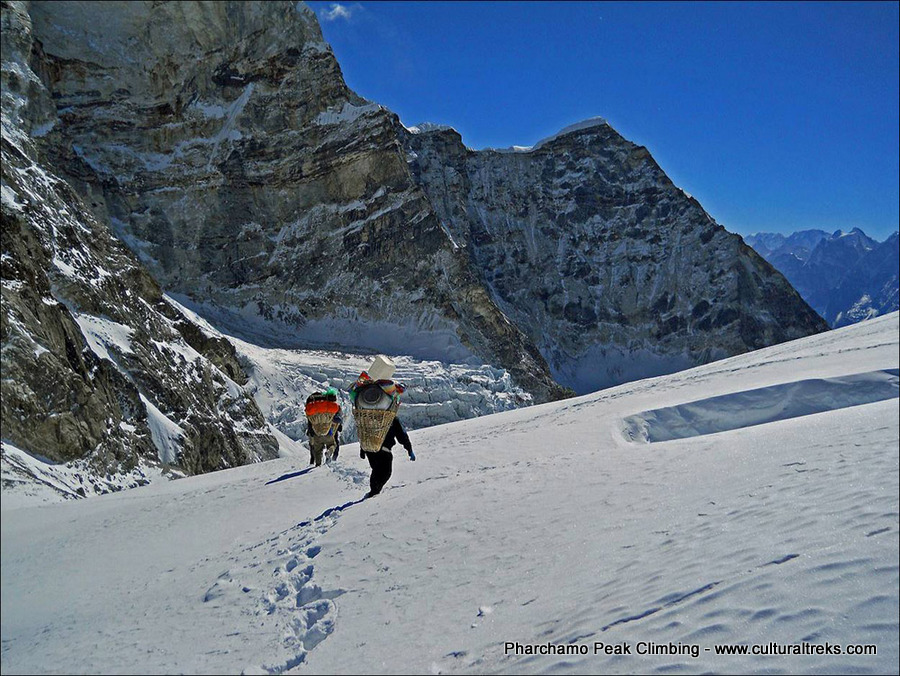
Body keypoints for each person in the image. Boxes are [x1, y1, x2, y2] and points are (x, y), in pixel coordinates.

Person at [360, 416, 415, 497]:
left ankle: (373, 492)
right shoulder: (391, 418)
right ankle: (374, 493)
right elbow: (401, 435)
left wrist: (362, 449)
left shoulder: (369, 417)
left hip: (370, 451)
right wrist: (409, 449)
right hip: (384, 450)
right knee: (386, 473)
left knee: (376, 470)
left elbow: (365, 433)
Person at [305, 389, 343, 466]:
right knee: (332, 444)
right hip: (329, 430)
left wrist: (310, 431)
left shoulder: (314, 411)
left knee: (317, 450)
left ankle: (317, 464)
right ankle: (330, 455)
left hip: (316, 432)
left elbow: (310, 421)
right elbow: (338, 418)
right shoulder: (332, 408)